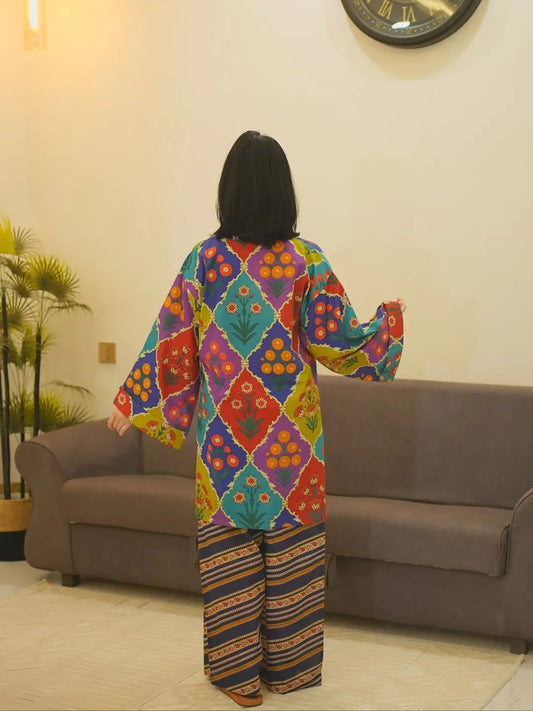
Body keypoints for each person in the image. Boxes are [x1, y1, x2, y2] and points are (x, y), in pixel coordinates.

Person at [108, 130, 405, 708]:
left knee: (230, 561)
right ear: (283, 191)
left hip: (224, 443)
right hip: (292, 444)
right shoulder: (306, 260)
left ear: (229, 191)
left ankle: (237, 679)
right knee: (294, 560)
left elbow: (173, 342)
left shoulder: (203, 260)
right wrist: (386, 324)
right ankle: (289, 672)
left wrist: (134, 403)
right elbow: (338, 340)